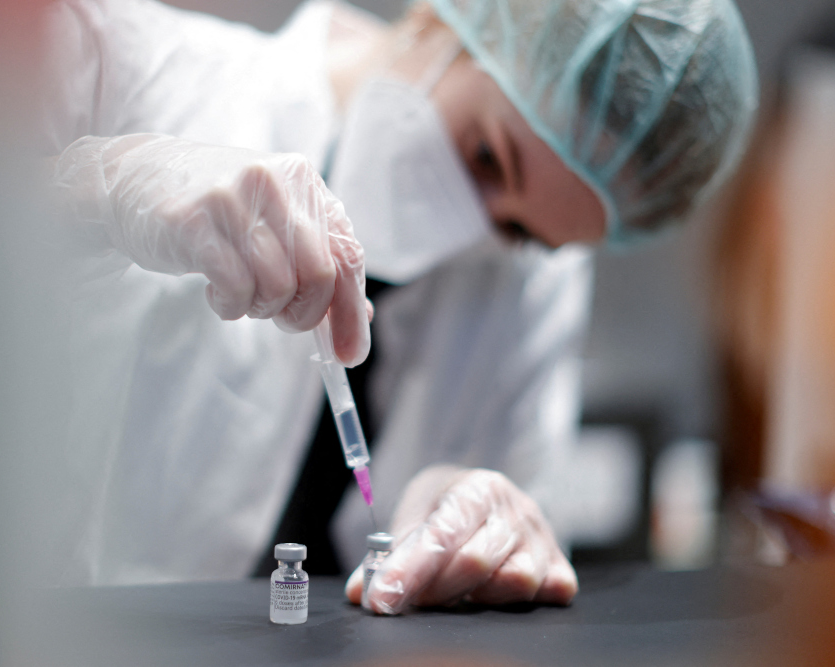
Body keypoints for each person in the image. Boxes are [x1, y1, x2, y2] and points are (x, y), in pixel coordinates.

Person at [44, 0, 757, 614]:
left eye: (520, 232)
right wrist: (91, 194)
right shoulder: (126, 63)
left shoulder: (532, 285)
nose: (468, 229)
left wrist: (483, 527)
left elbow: (504, 545)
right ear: (442, 21)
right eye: (486, 156)